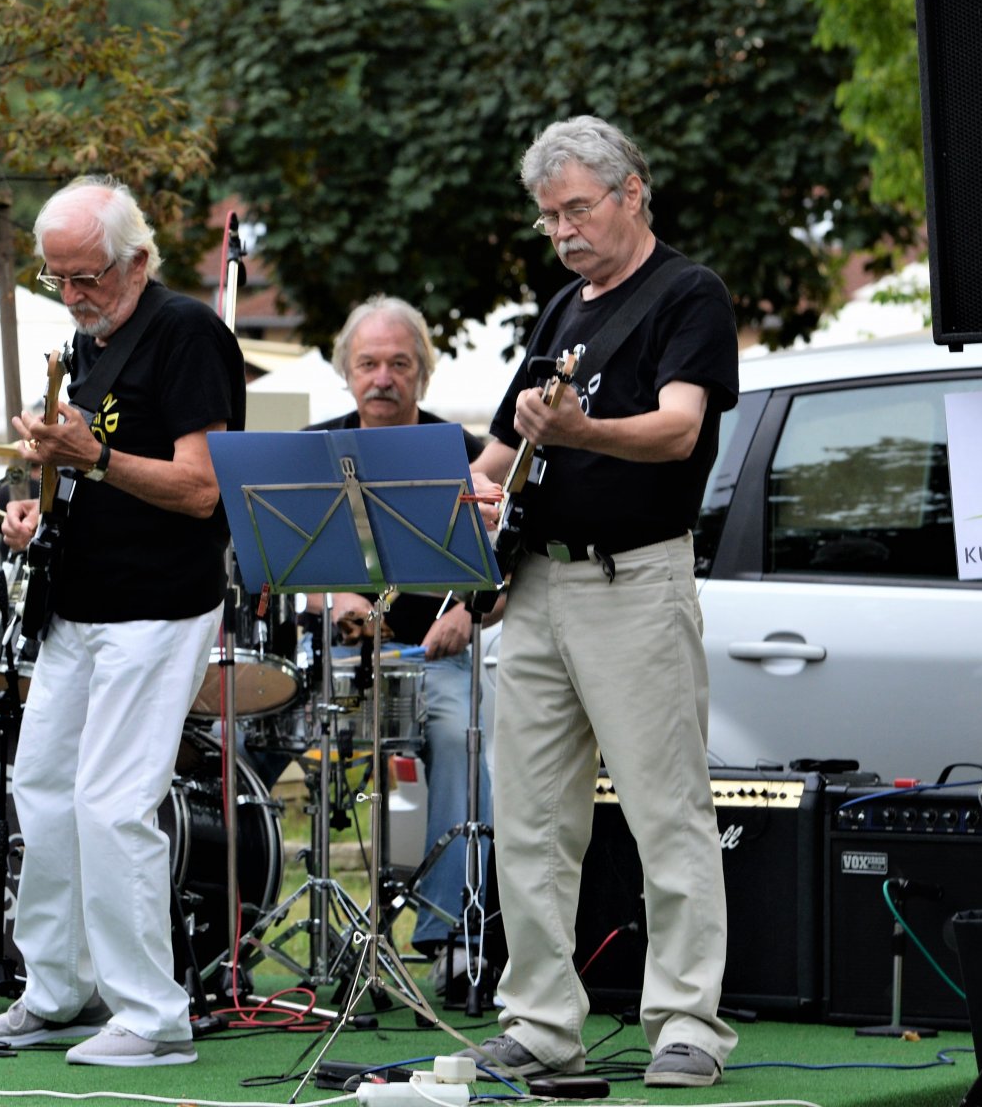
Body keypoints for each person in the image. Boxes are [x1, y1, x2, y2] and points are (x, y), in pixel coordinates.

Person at [467, 116, 738, 1089]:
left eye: (577, 207)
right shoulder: (558, 312)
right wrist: (447, 494)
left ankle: (688, 1023)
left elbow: (676, 431)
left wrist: (582, 429)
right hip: (538, 581)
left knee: (666, 809)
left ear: (632, 190)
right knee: (531, 815)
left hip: (635, 578)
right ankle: (540, 1022)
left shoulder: (689, 294)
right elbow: (500, 455)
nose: (564, 231)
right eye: (549, 217)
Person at [0, 176, 245, 1068]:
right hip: (77, 601)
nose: (75, 294)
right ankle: (56, 990)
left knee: (114, 802)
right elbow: (81, 480)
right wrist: (35, 507)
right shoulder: (84, 346)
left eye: (87, 276)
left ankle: (155, 1017)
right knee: (41, 789)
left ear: (137, 260)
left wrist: (93, 454)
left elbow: (204, 489)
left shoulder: (186, 332)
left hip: (159, 601)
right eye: (58, 278)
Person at [305, 295, 502, 966]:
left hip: (431, 660)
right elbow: (264, 559)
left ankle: (448, 933)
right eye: (368, 363)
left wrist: (468, 616)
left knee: (461, 732)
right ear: (347, 372)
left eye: (399, 363)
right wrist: (328, 599)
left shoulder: (469, 455)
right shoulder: (308, 452)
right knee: (240, 733)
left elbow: (507, 577)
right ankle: (228, 926)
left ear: (423, 371)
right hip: (333, 665)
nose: (383, 377)